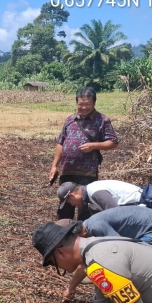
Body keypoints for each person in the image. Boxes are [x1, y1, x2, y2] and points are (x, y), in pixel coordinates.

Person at [56, 207, 152, 301]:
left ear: (75, 236)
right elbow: (85, 262)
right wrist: (71, 288)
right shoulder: (89, 225)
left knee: (140, 262)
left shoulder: (96, 226)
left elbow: (121, 247)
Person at [49, 87, 118, 221]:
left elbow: (113, 142)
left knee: (85, 208)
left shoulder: (102, 120)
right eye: (81, 104)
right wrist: (54, 166)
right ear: (76, 103)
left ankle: (83, 232)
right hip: (67, 171)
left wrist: (94, 145)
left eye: (88, 104)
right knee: (65, 205)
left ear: (94, 103)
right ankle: (64, 231)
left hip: (87, 174)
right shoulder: (70, 119)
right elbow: (60, 143)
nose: (84, 107)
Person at [58, 179, 143, 216]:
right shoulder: (91, 203)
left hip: (141, 204)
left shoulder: (95, 192)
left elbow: (117, 215)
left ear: (72, 195)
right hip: (131, 210)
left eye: (69, 202)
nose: (72, 205)